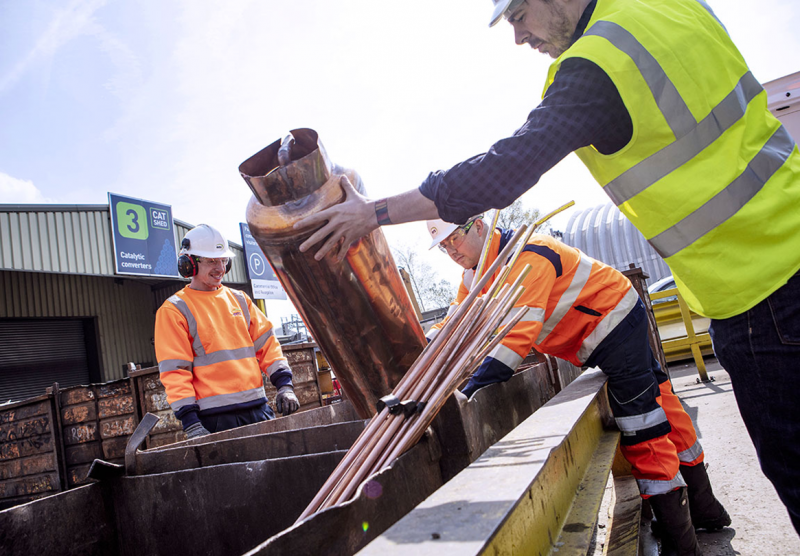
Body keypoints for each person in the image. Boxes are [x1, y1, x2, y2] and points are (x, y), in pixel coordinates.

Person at [295, 0, 800, 539]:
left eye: (518, 16)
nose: (518, 38)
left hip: (758, 295)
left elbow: (502, 173)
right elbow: (464, 328)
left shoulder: (597, 65)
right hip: (781, 247)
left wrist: (372, 213)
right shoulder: (669, 7)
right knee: (662, 406)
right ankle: (700, 505)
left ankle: (683, 530)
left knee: (655, 421)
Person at [426, 214, 728, 554]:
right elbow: (458, 316)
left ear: (479, 226)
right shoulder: (475, 276)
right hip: (595, 334)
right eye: (443, 246)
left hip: (613, 322)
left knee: (641, 426)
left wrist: (466, 391)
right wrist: (425, 340)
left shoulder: (528, 256)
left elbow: (514, 344)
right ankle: (705, 510)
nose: (451, 250)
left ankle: (681, 542)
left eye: (455, 238)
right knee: (662, 400)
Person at [155, 224, 300, 440]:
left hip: (258, 410)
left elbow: (268, 346)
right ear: (190, 264)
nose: (220, 268)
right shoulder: (174, 310)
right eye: (211, 260)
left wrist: (285, 386)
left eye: (223, 260)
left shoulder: (240, 300)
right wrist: (191, 423)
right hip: (214, 421)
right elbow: (176, 372)